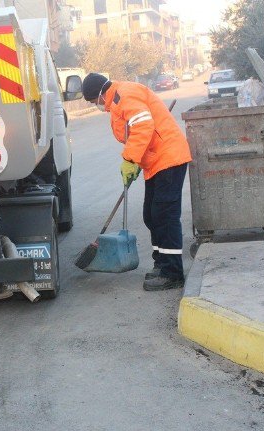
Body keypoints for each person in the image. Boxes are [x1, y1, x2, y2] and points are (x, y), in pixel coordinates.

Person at [81, 73, 192, 291]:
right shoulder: (115, 101)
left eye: (94, 101)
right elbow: (133, 134)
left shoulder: (125, 95)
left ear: (100, 94)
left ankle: (173, 273)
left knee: (164, 216)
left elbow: (143, 126)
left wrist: (130, 159)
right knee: (151, 216)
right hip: (155, 163)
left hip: (168, 159)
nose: (96, 105)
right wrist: (137, 160)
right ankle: (161, 264)